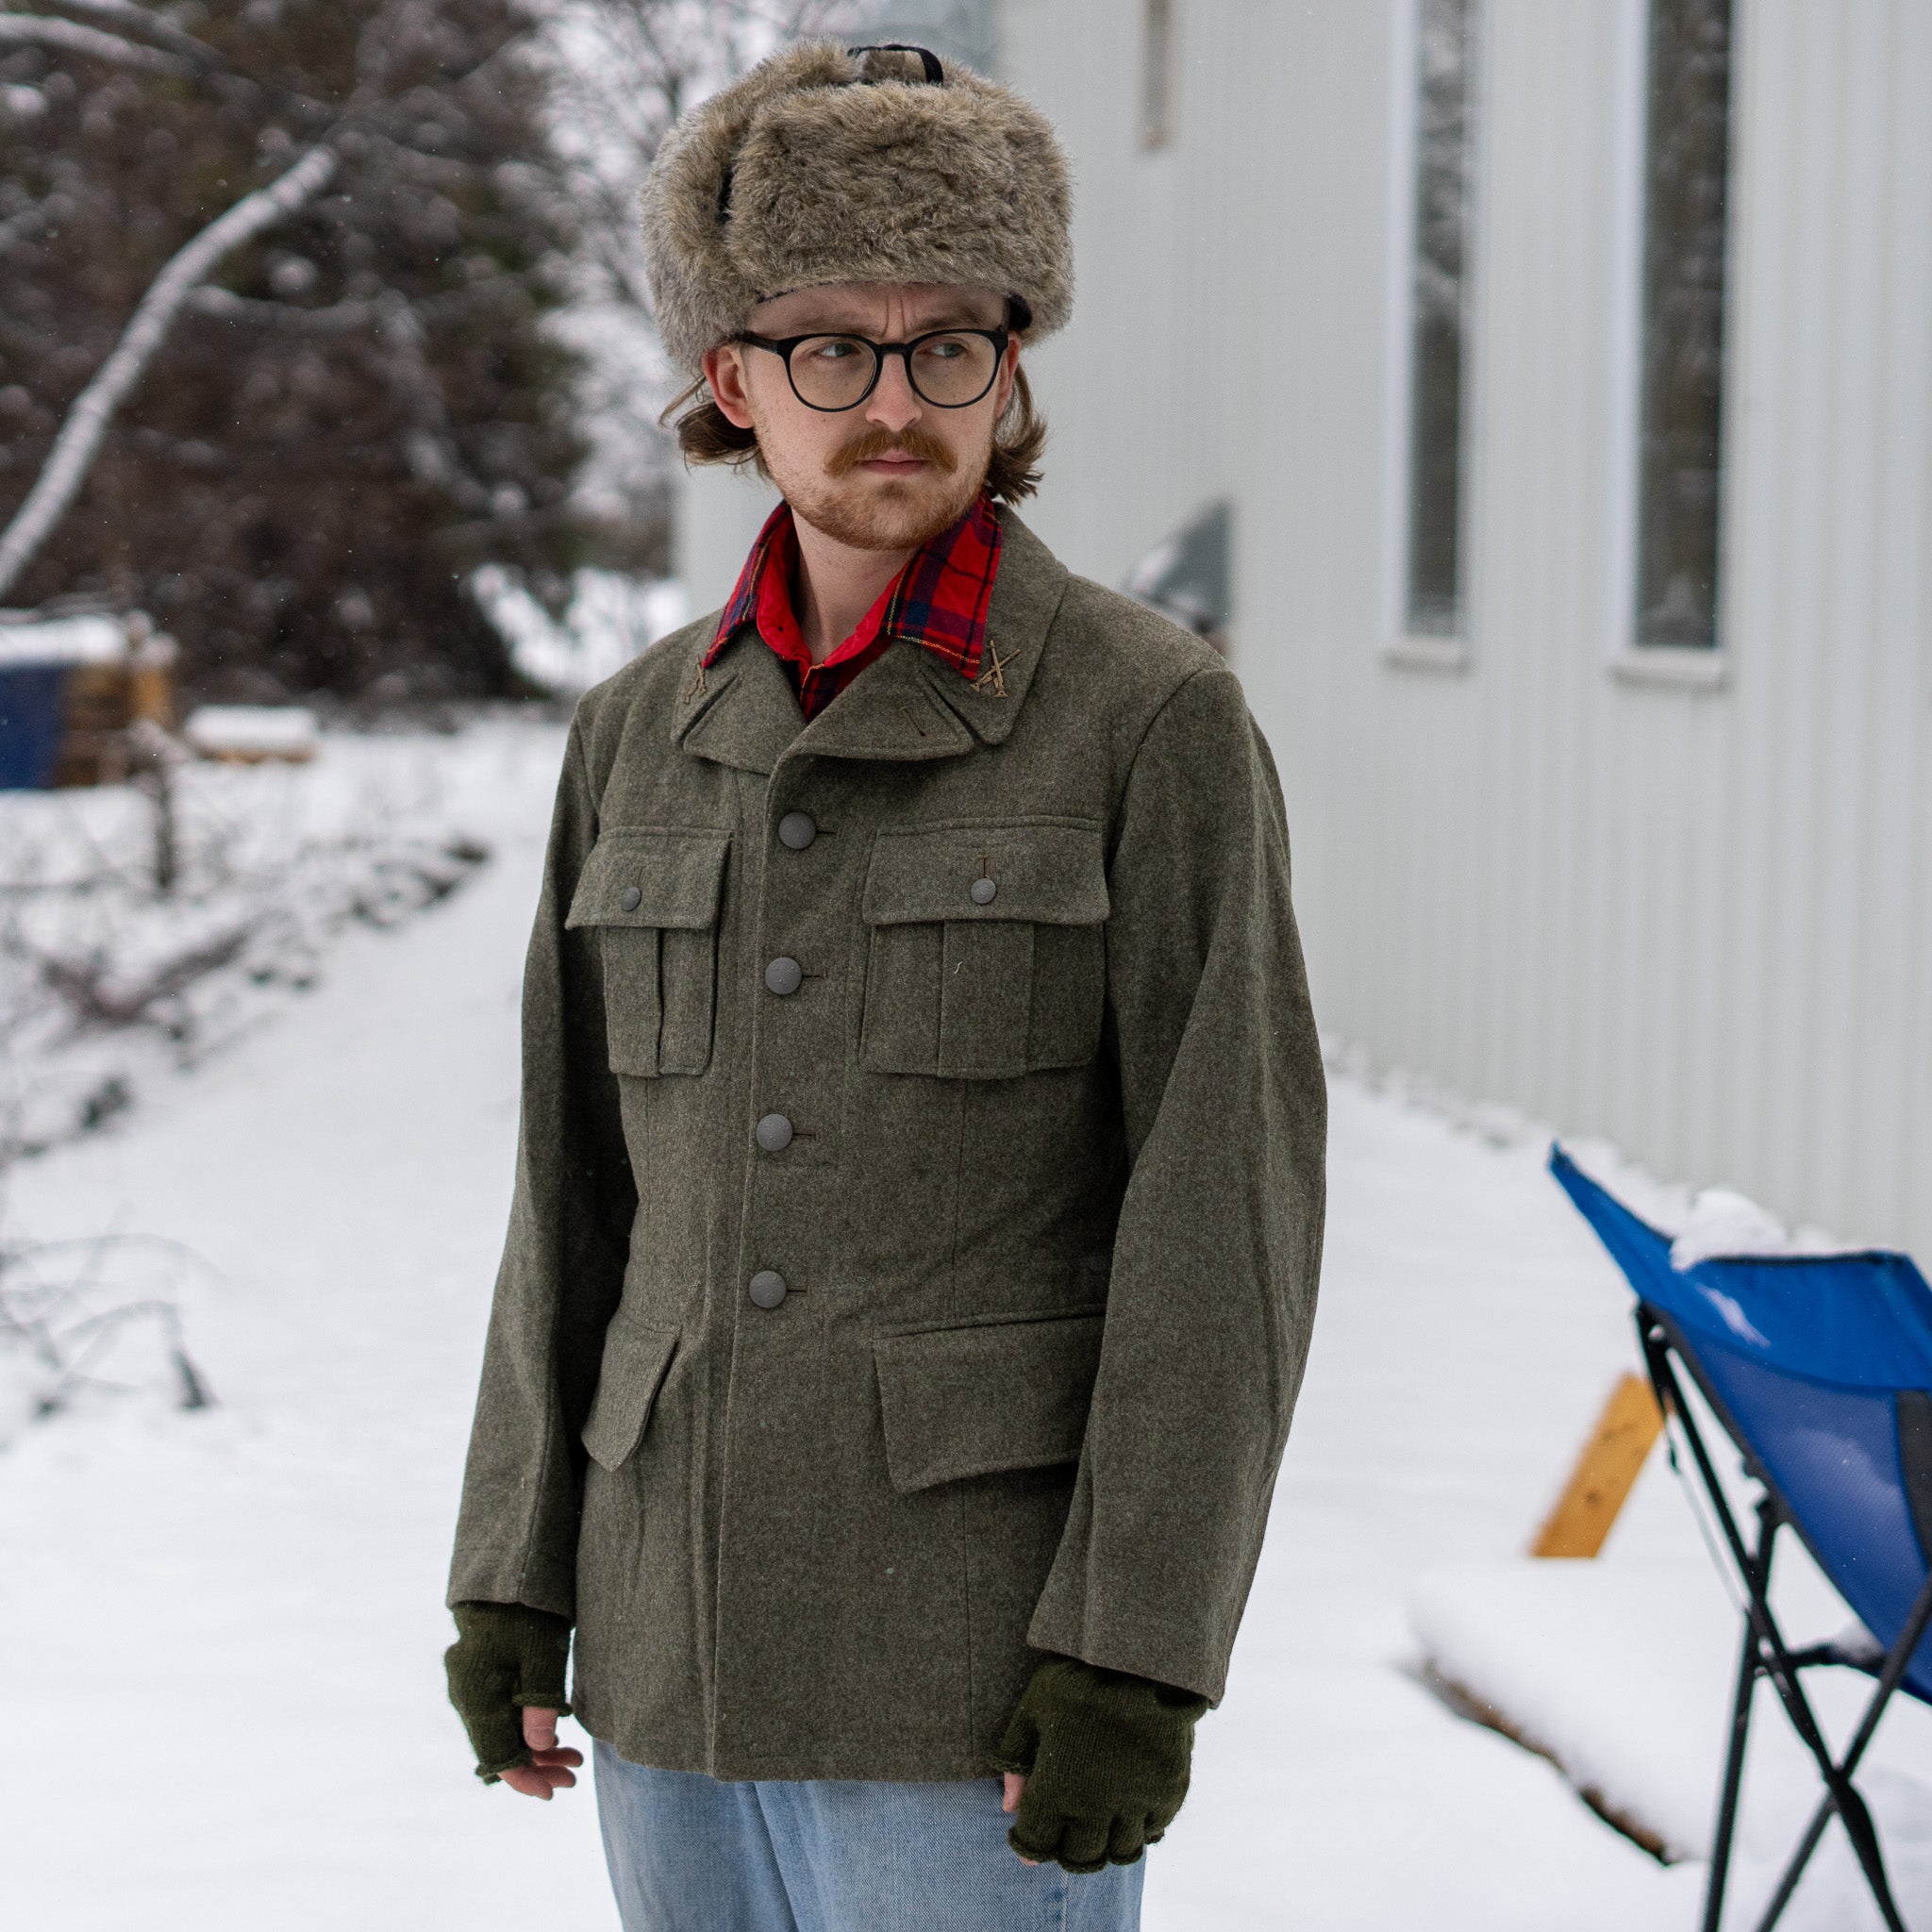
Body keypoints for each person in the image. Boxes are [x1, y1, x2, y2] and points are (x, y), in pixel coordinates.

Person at [442, 40, 1326, 1932]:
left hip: (972, 1667)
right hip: (665, 1645)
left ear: (1009, 369)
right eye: (829, 342)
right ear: (732, 377)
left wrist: (1137, 1650)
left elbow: (1221, 1221)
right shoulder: (636, 734)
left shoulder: (1145, 717)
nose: (892, 396)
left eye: (947, 341)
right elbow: (569, 1190)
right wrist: (512, 1563)